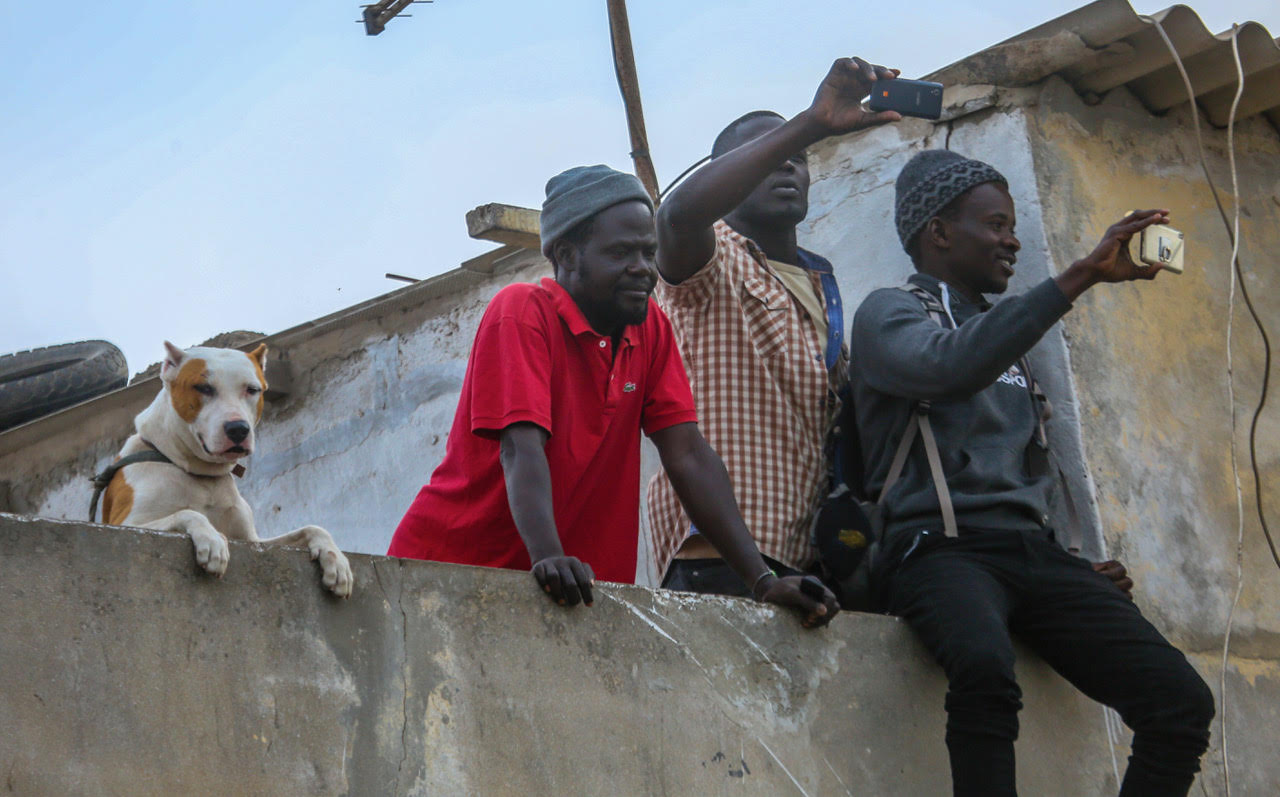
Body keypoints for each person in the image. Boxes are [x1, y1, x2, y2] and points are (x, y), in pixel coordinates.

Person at [849, 149, 1214, 796]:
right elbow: (946, 367)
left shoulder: (1007, 333)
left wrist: (1069, 564)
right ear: (939, 232)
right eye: (995, 225)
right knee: (984, 667)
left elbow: (1029, 468)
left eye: (1013, 226)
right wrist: (1080, 275)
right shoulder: (890, 311)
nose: (1012, 241)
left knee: (1180, 701)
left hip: (1027, 551)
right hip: (937, 546)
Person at [387, 165, 839, 625]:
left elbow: (687, 455)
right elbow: (520, 448)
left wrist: (762, 582)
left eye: (648, 252)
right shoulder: (522, 312)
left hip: (567, 591)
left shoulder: (650, 328)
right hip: (452, 573)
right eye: (621, 252)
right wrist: (548, 556)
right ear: (567, 255)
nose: (643, 268)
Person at [647, 57, 903, 595]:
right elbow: (676, 216)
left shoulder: (821, 283)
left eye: (800, 157)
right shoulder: (711, 262)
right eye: (770, 153)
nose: (788, 163)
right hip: (723, 550)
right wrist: (810, 124)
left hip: (812, 559)